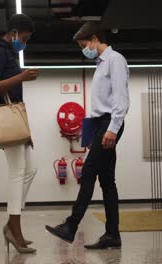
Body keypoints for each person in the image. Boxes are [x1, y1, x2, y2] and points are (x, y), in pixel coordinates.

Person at [45, 22, 130, 249]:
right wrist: (89, 133)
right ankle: (113, 235)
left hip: (109, 123)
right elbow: (96, 106)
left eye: (84, 45)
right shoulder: (100, 65)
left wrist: (112, 129)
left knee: (89, 170)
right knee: (107, 181)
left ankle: (71, 226)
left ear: (94, 38)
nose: (84, 50)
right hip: (98, 123)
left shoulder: (115, 60)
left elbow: (120, 100)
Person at [0, 14, 39, 254]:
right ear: (14, 32)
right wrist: (21, 76)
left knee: (31, 169)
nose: (24, 43)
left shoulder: (11, 53)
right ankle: (15, 231)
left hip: (17, 119)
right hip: (7, 119)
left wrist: (27, 130)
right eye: (24, 38)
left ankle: (11, 224)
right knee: (18, 173)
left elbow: (16, 97)